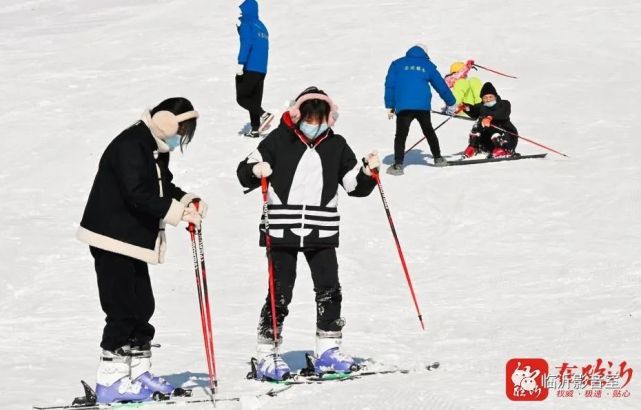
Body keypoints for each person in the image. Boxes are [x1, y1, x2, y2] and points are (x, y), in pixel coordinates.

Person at [237, 87, 379, 381]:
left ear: (330, 118)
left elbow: (353, 185)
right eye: (310, 118)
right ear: (297, 115)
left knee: (329, 288)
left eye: (321, 118)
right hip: (281, 228)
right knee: (280, 291)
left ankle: (328, 349)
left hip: (321, 229)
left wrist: (367, 171)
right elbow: (243, 171)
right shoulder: (278, 139)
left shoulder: (337, 145)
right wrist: (256, 170)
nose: (315, 124)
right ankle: (268, 353)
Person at [76, 97, 207, 403]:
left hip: (131, 239)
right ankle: (111, 380)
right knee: (121, 308)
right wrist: (176, 213)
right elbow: (137, 194)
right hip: (111, 236)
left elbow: (163, 187)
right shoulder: (131, 145)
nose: (179, 139)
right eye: (180, 131)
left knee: (141, 305)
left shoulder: (152, 146)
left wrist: (187, 201)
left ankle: (137, 372)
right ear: (165, 122)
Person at [384, 44, 457, 174]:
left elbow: (390, 85)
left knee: (401, 135)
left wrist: (390, 105)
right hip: (422, 107)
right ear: (425, 52)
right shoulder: (427, 65)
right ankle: (438, 158)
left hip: (403, 107)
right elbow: (440, 84)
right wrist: (451, 102)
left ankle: (398, 165)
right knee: (429, 131)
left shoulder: (397, 64)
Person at [236, 0, 273, 138]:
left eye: (242, 10)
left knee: (242, 98)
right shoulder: (262, 27)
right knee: (254, 99)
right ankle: (255, 129)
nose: (241, 13)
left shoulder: (247, 24)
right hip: (261, 69)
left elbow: (247, 43)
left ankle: (264, 114)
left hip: (249, 66)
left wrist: (241, 63)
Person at [460, 82, 518, 158]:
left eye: (490, 97)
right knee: (479, 122)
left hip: (507, 137)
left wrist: (490, 118)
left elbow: (503, 113)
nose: (488, 100)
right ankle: (474, 147)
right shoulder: (482, 107)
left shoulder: (504, 104)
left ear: (495, 97)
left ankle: (503, 149)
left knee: (492, 124)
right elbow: (474, 111)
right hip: (489, 142)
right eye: (485, 98)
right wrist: (466, 108)